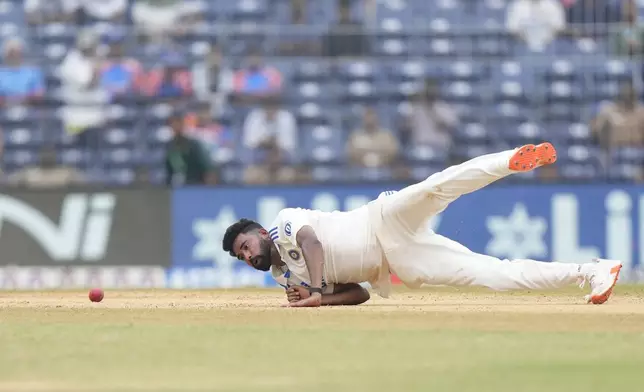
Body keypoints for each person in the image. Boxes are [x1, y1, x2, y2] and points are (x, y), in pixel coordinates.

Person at [222, 143, 623, 307]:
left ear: (258, 233)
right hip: (400, 261)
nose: (246, 256)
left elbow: (312, 243)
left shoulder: (282, 225)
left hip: (380, 219)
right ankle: (591, 271)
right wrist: (320, 300)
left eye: (244, 245)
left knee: (436, 187)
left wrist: (309, 288)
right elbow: (359, 294)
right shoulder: (281, 275)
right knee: (494, 275)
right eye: (241, 256)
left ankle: (512, 159)